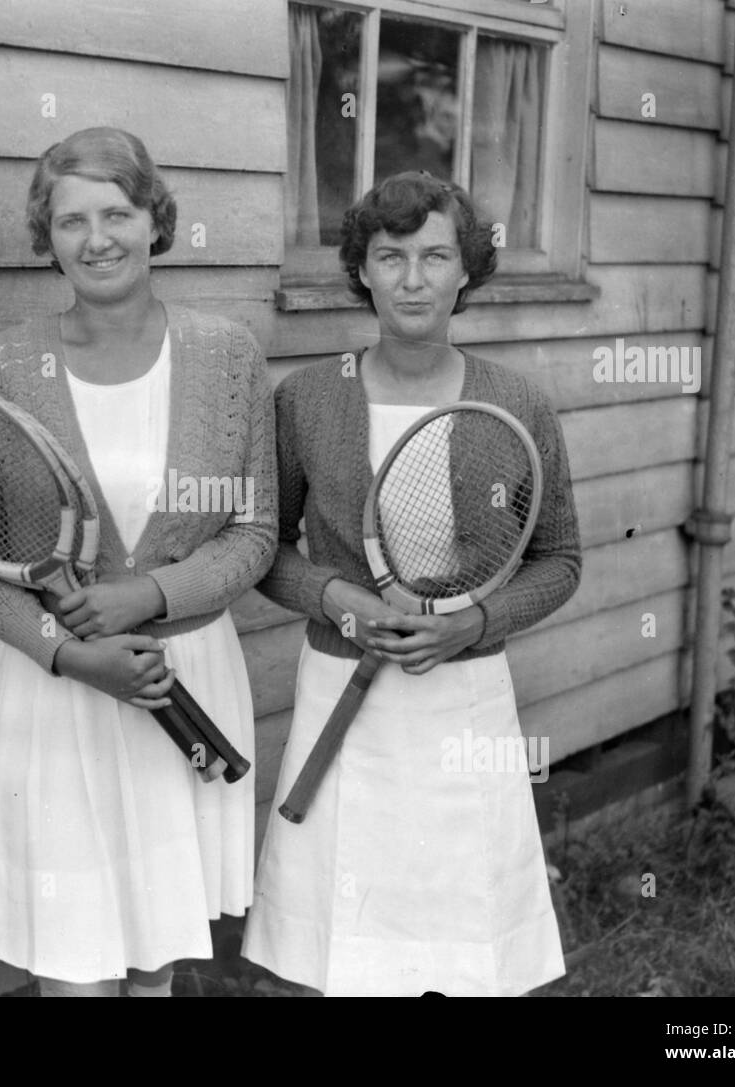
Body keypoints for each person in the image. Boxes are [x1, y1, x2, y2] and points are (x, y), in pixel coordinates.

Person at [0, 127, 277, 997]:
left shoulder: (227, 354)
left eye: (118, 212)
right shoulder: (4, 366)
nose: (98, 238)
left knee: (157, 960)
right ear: (45, 238)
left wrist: (147, 595)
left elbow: (255, 532)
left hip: (182, 671)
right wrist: (70, 652)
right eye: (70, 220)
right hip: (55, 692)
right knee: (76, 966)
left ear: (155, 220)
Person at [243, 171, 581, 996]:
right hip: (343, 693)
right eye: (390, 256)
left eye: (436, 255)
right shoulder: (308, 400)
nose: (413, 278)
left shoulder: (520, 404)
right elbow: (265, 550)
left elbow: (561, 558)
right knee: (346, 936)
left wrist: (476, 621)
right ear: (361, 270)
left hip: (464, 698)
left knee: (461, 931)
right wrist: (338, 600)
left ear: (468, 268)